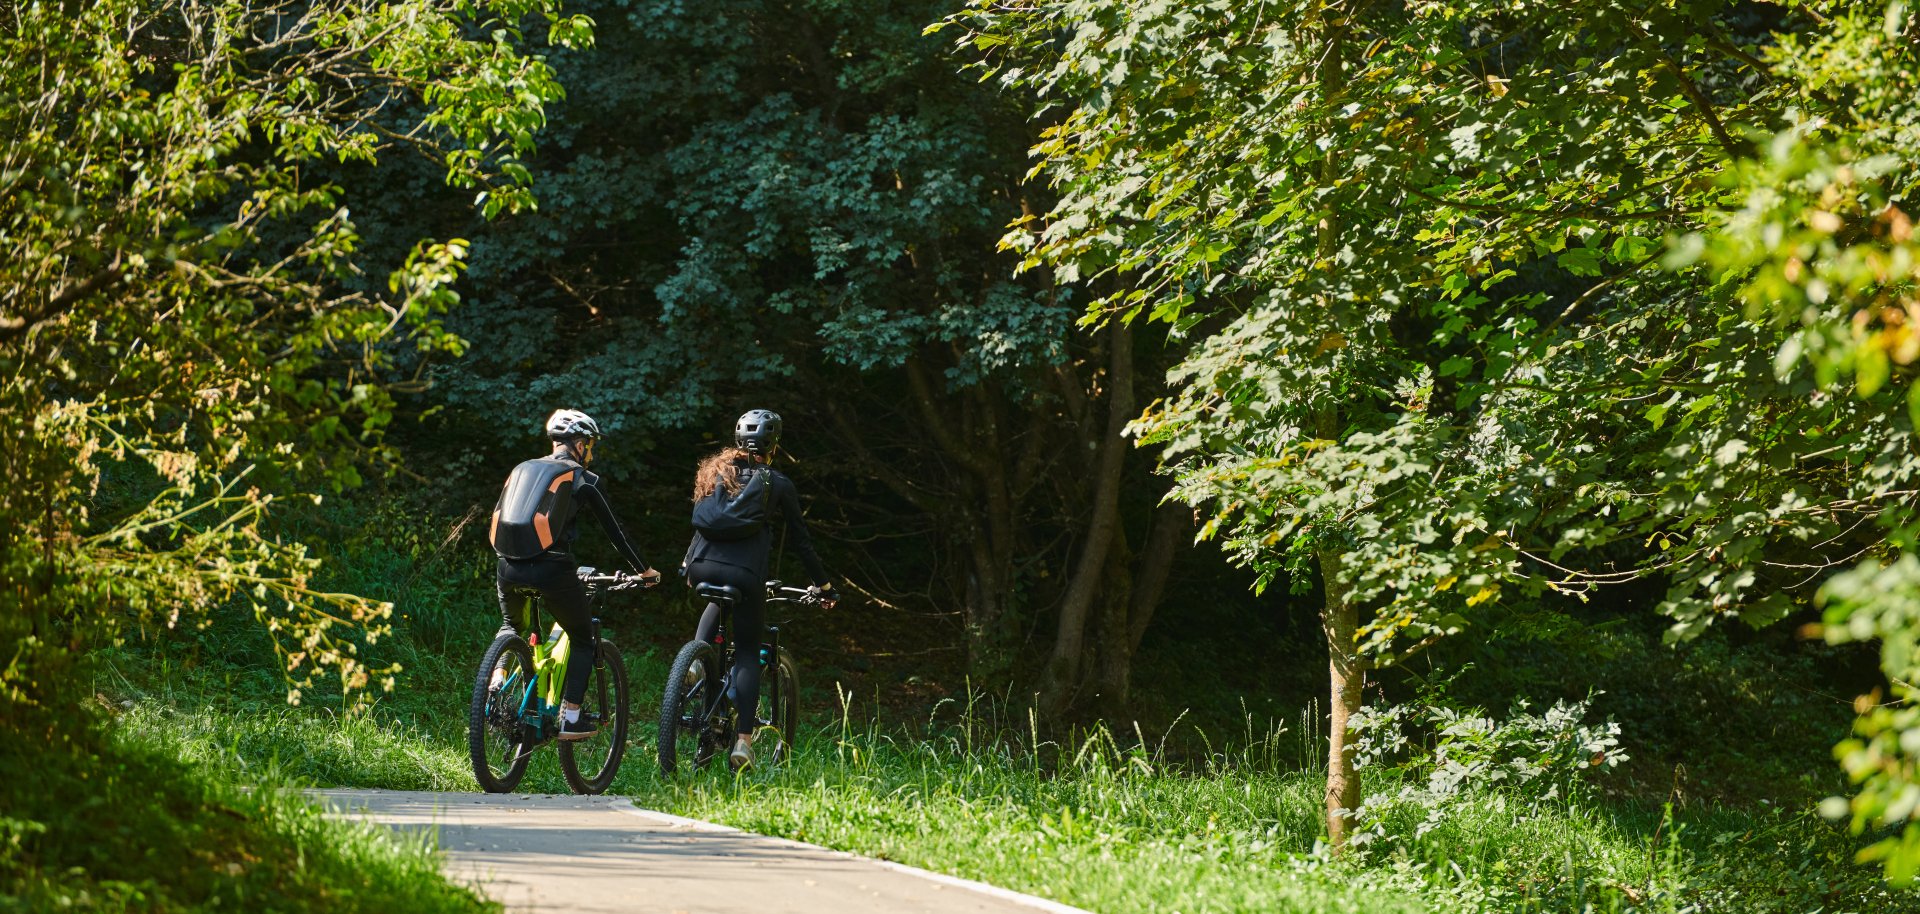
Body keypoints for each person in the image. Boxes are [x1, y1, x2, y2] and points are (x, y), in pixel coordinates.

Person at [490, 408, 659, 740]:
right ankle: (571, 716)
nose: (592, 452)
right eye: (591, 444)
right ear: (580, 444)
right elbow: (617, 533)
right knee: (583, 640)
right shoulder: (582, 478)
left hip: (507, 565)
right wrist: (645, 570)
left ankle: (495, 678)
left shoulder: (523, 468)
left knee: (512, 625)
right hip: (552, 568)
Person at [683, 408, 837, 769]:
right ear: (774, 446)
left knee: (717, 604)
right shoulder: (777, 483)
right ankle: (742, 743)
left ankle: (696, 662)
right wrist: (824, 586)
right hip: (745, 574)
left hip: (701, 566)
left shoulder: (714, 472)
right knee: (749, 651)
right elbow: (801, 542)